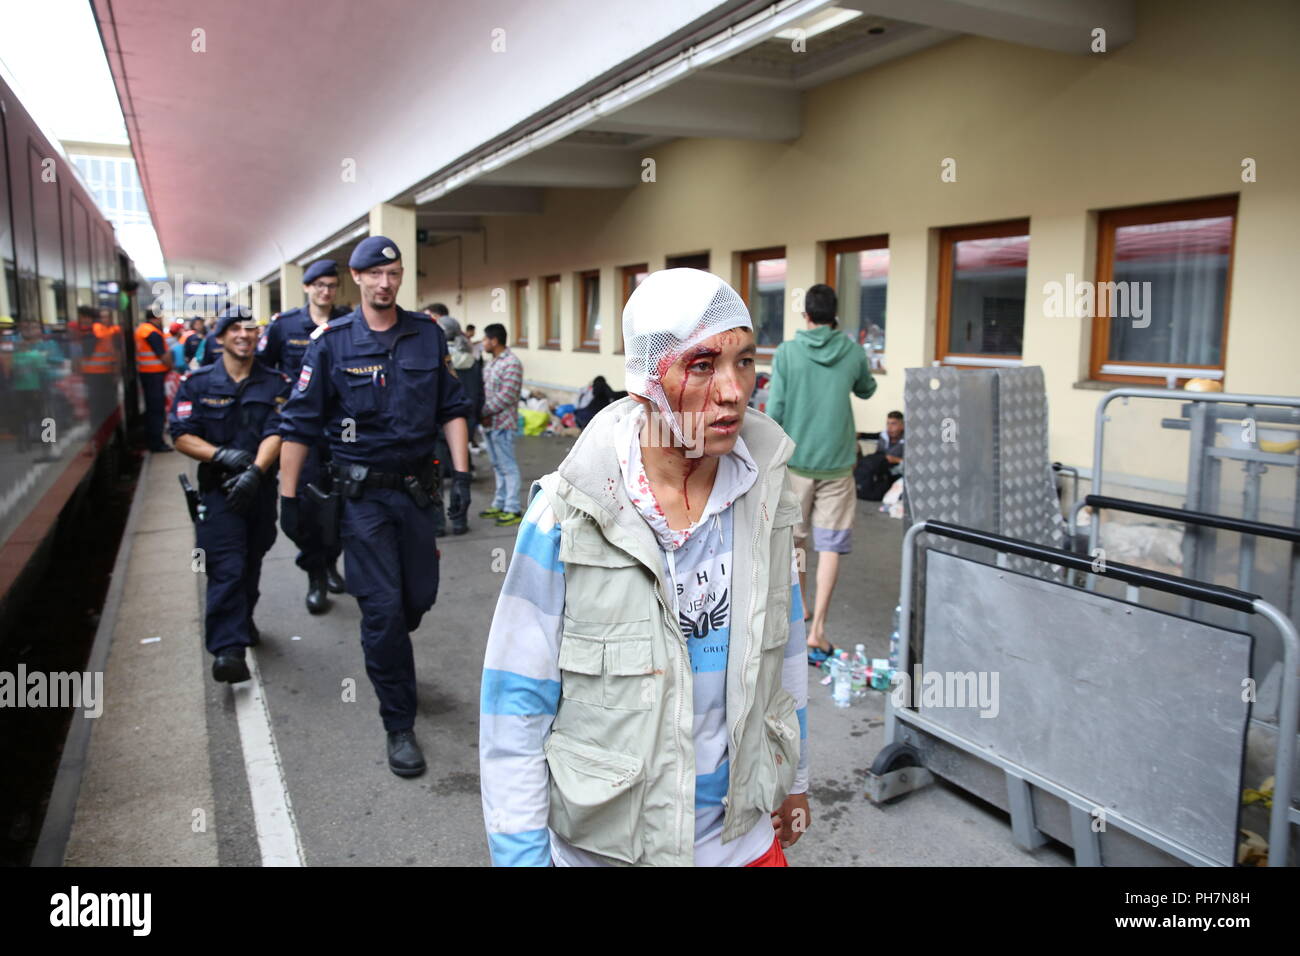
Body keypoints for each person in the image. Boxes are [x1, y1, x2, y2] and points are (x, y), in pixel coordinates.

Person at [479, 268, 809, 867]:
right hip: (610, 853)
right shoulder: (567, 514)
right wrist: (519, 856)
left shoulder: (766, 499)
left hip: (743, 845)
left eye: (744, 362)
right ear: (647, 384)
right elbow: (515, 703)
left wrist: (798, 777)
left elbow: (783, 656)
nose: (735, 390)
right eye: (704, 365)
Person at [277, 236, 472, 777]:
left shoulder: (427, 336)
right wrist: (288, 498)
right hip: (361, 499)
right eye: (375, 274)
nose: (385, 283)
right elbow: (297, 424)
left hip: (415, 492)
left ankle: (390, 647)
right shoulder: (331, 343)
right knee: (383, 612)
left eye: (395, 273)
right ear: (357, 280)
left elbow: (451, 406)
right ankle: (398, 723)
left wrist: (459, 475)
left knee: (417, 600)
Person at [170, 306, 290, 683]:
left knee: (253, 557)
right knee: (226, 565)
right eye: (234, 329)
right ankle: (228, 650)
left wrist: (255, 472)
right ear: (219, 339)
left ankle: (243, 619)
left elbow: (280, 429)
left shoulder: (275, 382)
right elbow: (180, 434)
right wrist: (220, 455)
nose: (244, 334)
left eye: (250, 329)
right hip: (218, 492)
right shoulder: (198, 383)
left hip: (258, 489)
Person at [766, 283, 876, 665]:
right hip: (839, 461)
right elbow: (867, 389)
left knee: (796, 542)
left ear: (806, 316)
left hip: (796, 462)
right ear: (835, 317)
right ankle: (818, 631)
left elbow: (775, 406)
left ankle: (801, 612)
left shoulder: (787, 353)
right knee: (830, 545)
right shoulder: (852, 351)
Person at [258, 259, 350, 612]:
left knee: (341, 503)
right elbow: (264, 368)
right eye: (319, 285)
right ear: (307, 287)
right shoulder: (285, 326)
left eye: (331, 285)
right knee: (307, 506)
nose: (325, 291)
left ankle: (331, 563)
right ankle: (314, 573)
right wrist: (279, 403)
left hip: (341, 431)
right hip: (302, 433)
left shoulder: (346, 322)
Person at [477, 323, 523, 526]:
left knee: (508, 467)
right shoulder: (492, 362)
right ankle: (500, 503)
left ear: (494, 341)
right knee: (497, 466)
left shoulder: (511, 363)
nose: (483, 343)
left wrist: (483, 411)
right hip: (488, 424)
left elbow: (507, 395)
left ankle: (513, 508)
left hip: (503, 424)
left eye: (485, 339)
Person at [135, 309, 174, 452]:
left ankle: (154, 441)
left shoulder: (142, 329)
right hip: (153, 375)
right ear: (156, 317)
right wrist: (171, 366)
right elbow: (163, 356)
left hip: (148, 374)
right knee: (156, 410)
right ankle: (157, 443)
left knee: (153, 409)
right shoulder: (151, 332)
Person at [854, 410, 904, 501]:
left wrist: (896, 460)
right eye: (888, 424)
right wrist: (856, 434)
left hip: (893, 471)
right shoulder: (883, 435)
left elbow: (915, 463)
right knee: (855, 447)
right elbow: (867, 436)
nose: (890, 427)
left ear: (902, 426)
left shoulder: (908, 441)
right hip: (875, 466)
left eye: (894, 424)